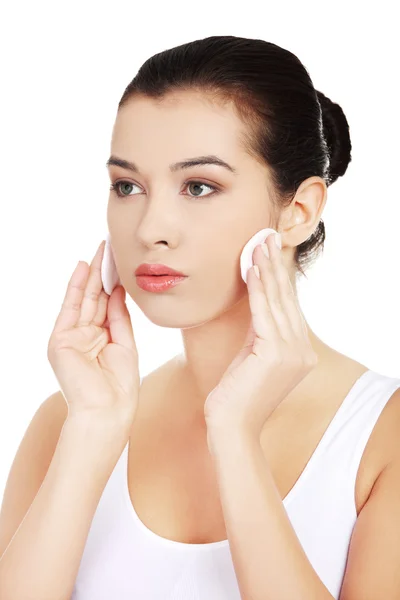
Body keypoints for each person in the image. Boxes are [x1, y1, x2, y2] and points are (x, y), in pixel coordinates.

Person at [0, 35, 399, 600]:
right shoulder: (68, 422)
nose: (149, 228)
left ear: (299, 212)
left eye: (199, 186)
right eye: (127, 186)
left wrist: (235, 438)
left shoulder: (384, 437)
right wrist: (91, 431)